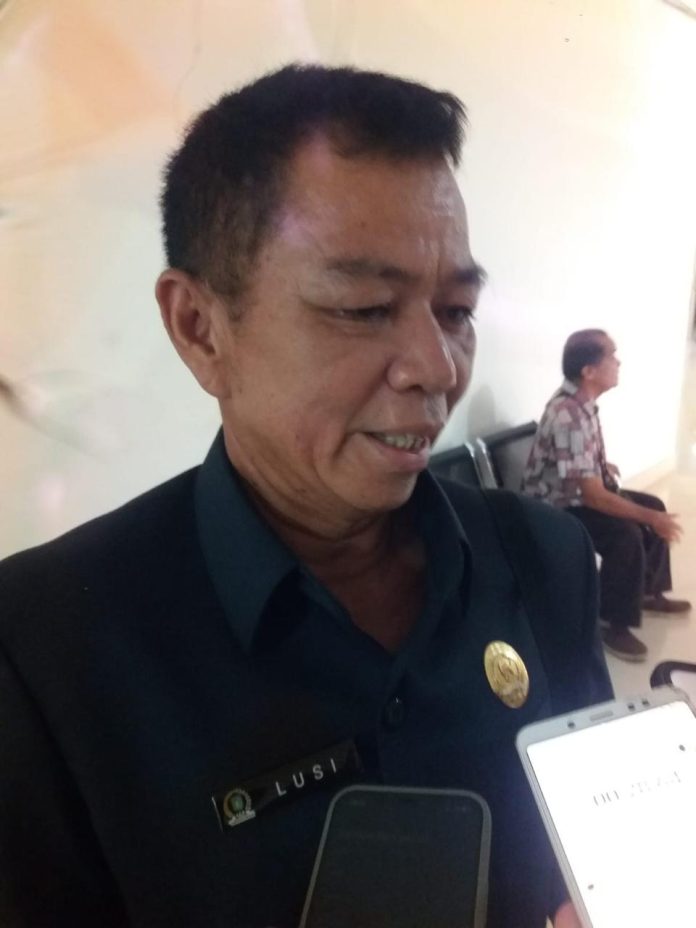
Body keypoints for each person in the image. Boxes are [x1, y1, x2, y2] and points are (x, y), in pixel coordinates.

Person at [0, 65, 609, 928]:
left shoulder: (544, 559)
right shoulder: (48, 651)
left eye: (455, 308)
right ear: (200, 329)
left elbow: (592, 847)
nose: (437, 368)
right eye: (364, 308)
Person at [522, 329, 690, 662]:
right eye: (612, 355)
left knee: (653, 504)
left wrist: (601, 464)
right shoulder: (569, 413)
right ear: (589, 371)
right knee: (626, 533)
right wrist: (651, 519)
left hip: (574, 493)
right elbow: (594, 498)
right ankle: (614, 623)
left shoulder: (582, 404)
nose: (618, 362)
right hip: (553, 507)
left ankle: (646, 592)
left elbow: (579, 465)